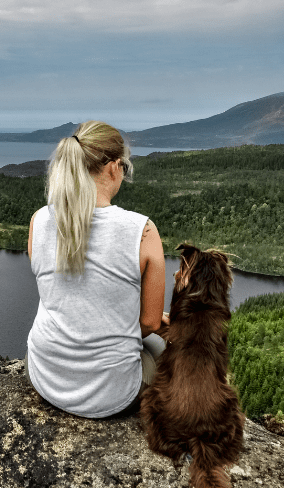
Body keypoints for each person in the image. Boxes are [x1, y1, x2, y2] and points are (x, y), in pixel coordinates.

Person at [25, 120, 169, 418]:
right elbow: (151, 324)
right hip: (112, 395)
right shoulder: (142, 231)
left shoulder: (39, 220)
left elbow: (58, 292)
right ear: (115, 168)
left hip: (43, 375)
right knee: (164, 350)